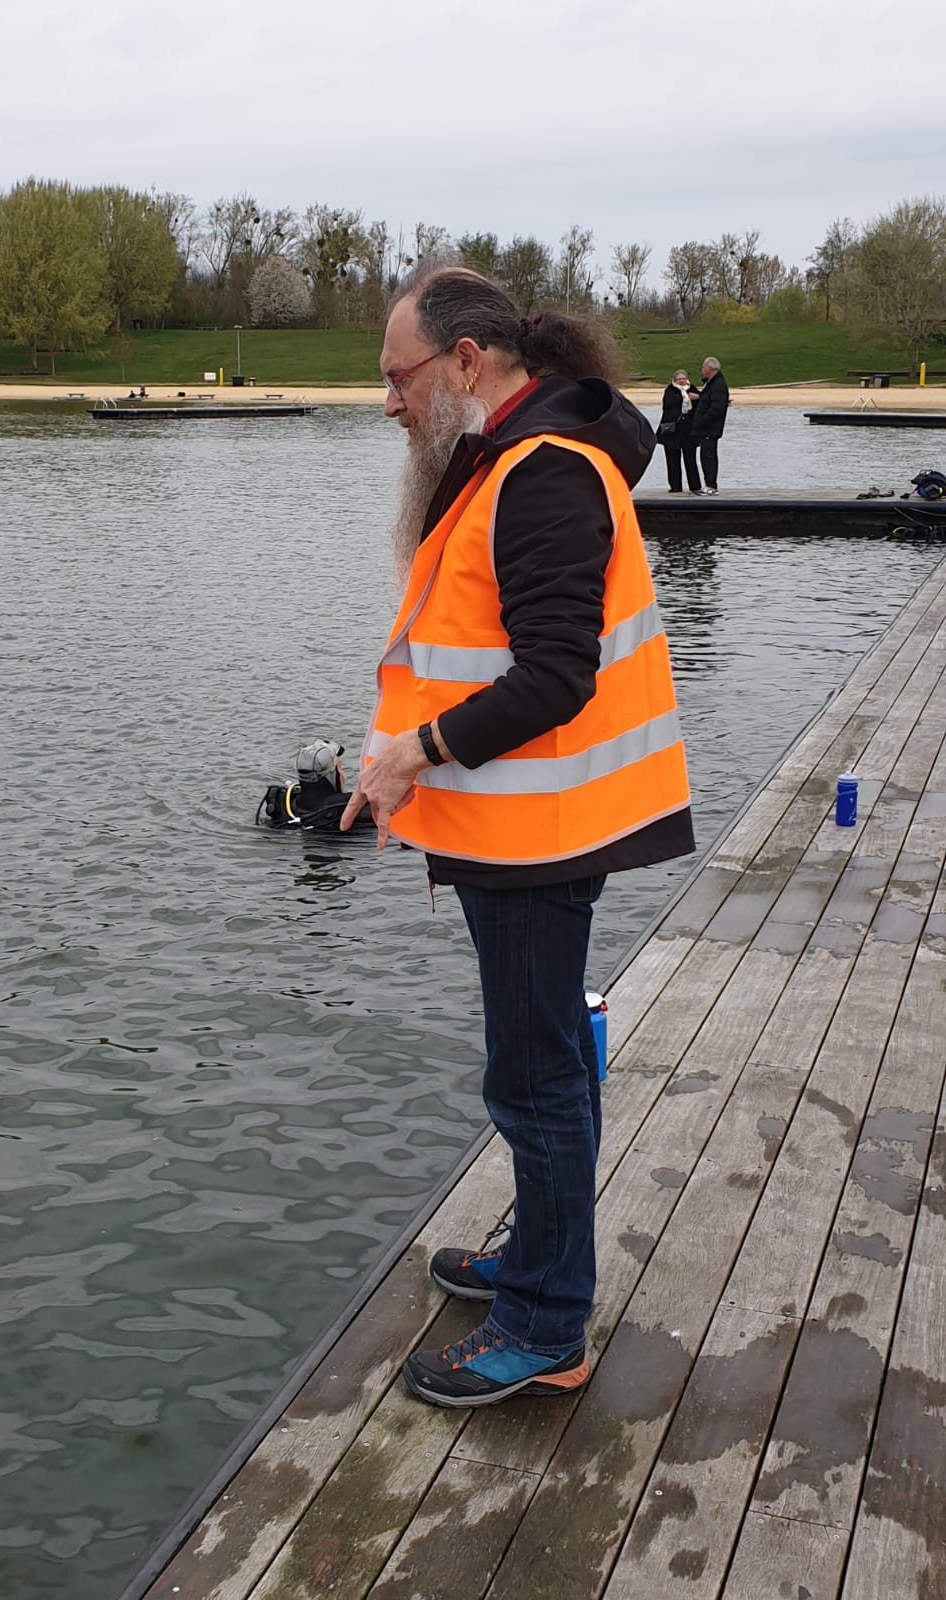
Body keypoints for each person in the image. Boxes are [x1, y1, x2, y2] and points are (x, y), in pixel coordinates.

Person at [340, 268, 694, 1409]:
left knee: (535, 1080)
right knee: (537, 1070)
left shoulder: (541, 472)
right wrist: (405, 756)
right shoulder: (513, 455)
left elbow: (555, 674)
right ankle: (540, 1265)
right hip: (518, 827)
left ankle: (545, 1322)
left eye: (398, 377)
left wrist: (416, 750)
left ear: (466, 361)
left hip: (541, 835)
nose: (388, 401)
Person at [688, 357, 729, 494]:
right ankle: (709, 484)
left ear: (710, 369)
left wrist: (702, 421)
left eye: (703, 367)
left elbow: (716, 408)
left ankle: (711, 485)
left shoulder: (718, 384)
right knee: (705, 455)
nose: (702, 370)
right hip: (706, 428)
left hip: (710, 428)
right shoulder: (711, 383)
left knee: (709, 456)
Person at [656, 369, 700, 493]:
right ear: (675, 380)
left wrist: (696, 397)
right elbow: (668, 404)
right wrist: (684, 397)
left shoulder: (693, 389)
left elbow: (701, 400)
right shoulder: (670, 390)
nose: (681, 381)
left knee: (690, 460)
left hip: (688, 431)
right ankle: (675, 487)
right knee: (672, 461)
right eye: (679, 379)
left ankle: (695, 486)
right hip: (672, 432)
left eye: (683, 378)